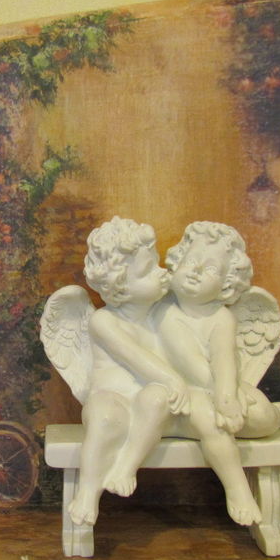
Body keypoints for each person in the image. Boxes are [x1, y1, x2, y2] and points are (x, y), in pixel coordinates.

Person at [105, 222, 280, 526]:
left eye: (211, 269)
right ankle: (237, 490)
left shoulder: (222, 317)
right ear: (176, 264)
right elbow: (190, 364)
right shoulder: (166, 312)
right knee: (212, 420)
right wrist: (225, 400)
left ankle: (279, 415)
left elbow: (224, 360)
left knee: (261, 417)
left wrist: (230, 393)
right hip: (180, 395)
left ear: (227, 284)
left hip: (214, 389)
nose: (196, 271)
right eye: (191, 262)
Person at [67, 217, 191, 526]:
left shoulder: (162, 317)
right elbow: (136, 358)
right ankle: (88, 492)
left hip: (146, 407)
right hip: (110, 399)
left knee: (157, 399)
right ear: (118, 286)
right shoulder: (104, 321)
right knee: (105, 416)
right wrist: (173, 379)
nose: (161, 272)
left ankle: (126, 466)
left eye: (158, 264)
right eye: (148, 270)